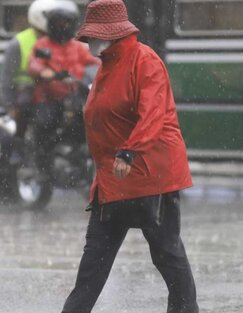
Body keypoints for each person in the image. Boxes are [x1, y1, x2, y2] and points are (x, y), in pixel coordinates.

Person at [60, 1, 199, 313]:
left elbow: (153, 114)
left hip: (150, 175)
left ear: (112, 34)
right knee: (94, 261)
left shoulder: (144, 61)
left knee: (166, 252)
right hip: (112, 180)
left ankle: (186, 310)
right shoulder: (106, 66)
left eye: (96, 36)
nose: (91, 42)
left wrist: (129, 150)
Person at [27, 0, 99, 178]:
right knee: (46, 123)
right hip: (49, 97)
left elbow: (94, 62)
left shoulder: (76, 46)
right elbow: (33, 64)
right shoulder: (43, 45)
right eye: (59, 23)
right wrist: (45, 71)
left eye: (66, 23)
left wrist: (106, 67)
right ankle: (42, 162)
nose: (63, 27)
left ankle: (81, 155)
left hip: (75, 96)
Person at [0, 0, 58, 137]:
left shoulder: (58, 39)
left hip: (50, 95)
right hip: (24, 96)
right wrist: (9, 107)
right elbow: (6, 78)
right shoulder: (18, 42)